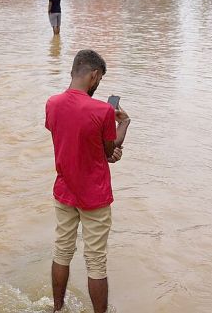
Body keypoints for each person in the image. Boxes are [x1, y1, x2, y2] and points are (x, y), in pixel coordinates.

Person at [45, 50, 130, 313]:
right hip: (94, 197)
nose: (98, 84)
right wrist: (124, 122)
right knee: (95, 262)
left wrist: (105, 150)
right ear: (94, 75)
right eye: (100, 79)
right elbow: (109, 151)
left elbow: (68, 138)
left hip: (64, 191)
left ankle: (57, 308)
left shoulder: (52, 103)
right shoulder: (103, 110)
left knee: (62, 252)